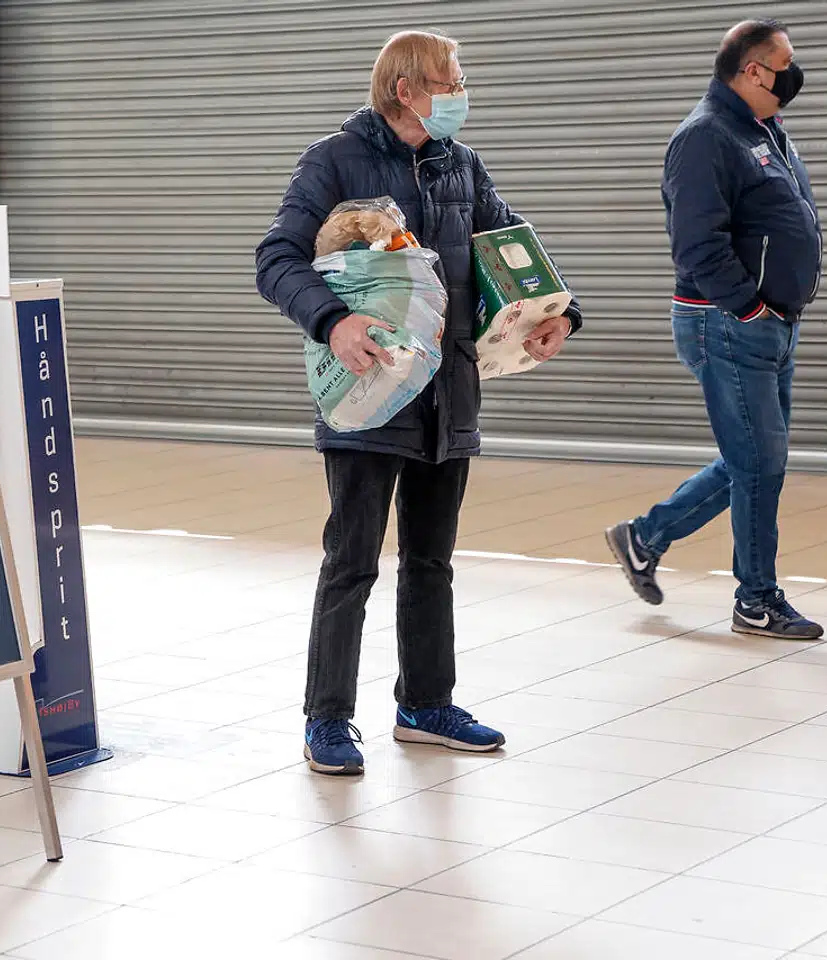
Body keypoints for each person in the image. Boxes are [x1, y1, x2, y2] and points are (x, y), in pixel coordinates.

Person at [256, 31, 582, 775]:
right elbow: (275, 258)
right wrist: (332, 321)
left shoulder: (460, 164)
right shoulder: (333, 160)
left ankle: (426, 706)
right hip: (369, 392)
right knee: (352, 562)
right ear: (406, 89)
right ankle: (327, 719)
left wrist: (561, 313)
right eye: (450, 81)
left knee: (431, 561)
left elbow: (513, 249)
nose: (461, 93)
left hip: (447, 393)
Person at [606, 19, 823, 641]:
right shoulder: (705, 136)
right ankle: (756, 600)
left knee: (754, 456)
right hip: (727, 322)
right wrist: (748, 308)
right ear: (753, 71)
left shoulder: (763, 128)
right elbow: (697, 243)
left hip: (769, 322)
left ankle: (644, 537)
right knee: (759, 463)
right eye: (785, 63)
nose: (794, 73)